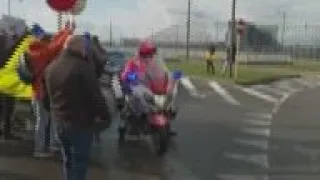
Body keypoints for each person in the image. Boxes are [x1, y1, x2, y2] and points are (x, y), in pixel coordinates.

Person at [45, 34, 111, 180]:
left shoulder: (51, 67)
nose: (85, 50)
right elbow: (95, 96)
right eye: (84, 47)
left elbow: (47, 97)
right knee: (79, 164)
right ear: (78, 48)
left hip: (60, 123)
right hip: (79, 124)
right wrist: (106, 116)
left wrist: (54, 112)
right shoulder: (82, 67)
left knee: (68, 160)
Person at [27, 22, 74, 157]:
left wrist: (64, 30)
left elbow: (54, 43)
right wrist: (67, 31)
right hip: (41, 94)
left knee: (51, 119)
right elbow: (55, 46)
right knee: (43, 122)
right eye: (47, 39)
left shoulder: (35, 50)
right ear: (42, 40)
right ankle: (39, 149)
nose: (49, 41)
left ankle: (53, 145)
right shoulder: (40, 52)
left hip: (42, 93)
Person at [120, 39, 177, 136]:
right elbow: (125, 74)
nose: (149, 56)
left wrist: (169, 77)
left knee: (166, 102)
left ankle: (167, 122)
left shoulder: (157, 62)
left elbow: (164, 72)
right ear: (141, 53)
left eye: (151, 53)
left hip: (153, 89)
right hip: (137, 87)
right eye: (147, 53)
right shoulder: (133, 62)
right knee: (135, 100)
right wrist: (132, 76)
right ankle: (130, 123)